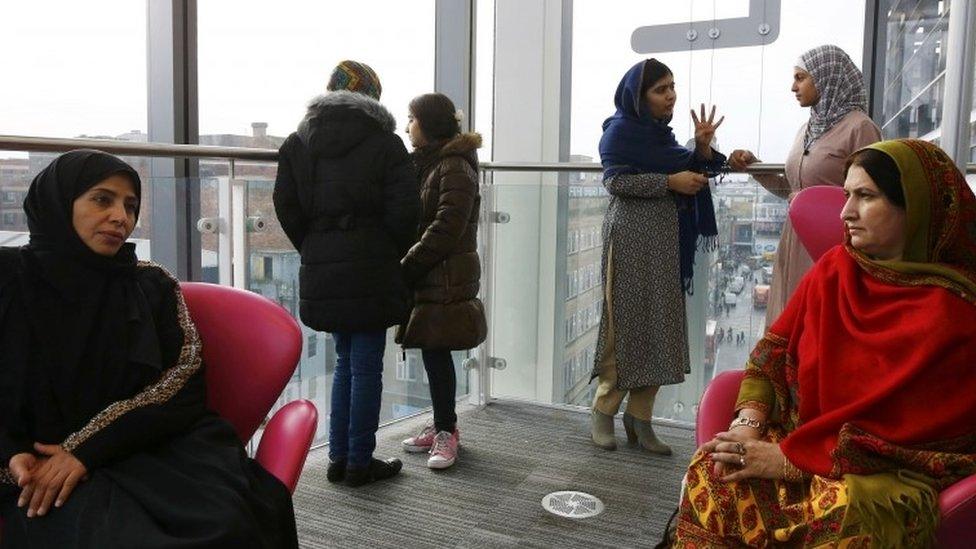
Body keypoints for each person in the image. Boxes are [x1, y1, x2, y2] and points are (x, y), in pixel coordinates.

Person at [669, 139, 976, 547]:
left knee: (849, 524)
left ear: (917, 207)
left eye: (865, 196)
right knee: (715, 473)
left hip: (877, 477)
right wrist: (748, 427)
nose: (846, 212)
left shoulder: (956, 313)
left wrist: (789, 461)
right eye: (847, 194)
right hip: (801, 438)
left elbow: (924, 440)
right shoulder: (835, 269)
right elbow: (772, 355)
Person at [0, 150, 298, 548]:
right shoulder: (8, 279)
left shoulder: (149, 285)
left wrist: (86, 450)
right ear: (58, 201)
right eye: (102, 200)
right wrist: (9, 455)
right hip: (38, 466)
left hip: (151, 449)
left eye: (131, 205)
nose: (121, 217)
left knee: (226, 525)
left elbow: (184, 380)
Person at [274, 60, 419, 486]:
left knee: (343, 362)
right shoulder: (386, 143)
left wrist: (316, 245)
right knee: (367, 365)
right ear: (371, 96)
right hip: (371, 261)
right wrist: (380, 247)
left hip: (323, 263)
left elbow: (286, 207)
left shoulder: (298, 142)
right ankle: (359, 461)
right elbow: (407, 210)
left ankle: (338, 458)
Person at [590, 58, 726, 455]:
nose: (670, 96)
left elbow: (694, 171)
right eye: (660, 89)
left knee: (660, 323)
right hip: (630, 237)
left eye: (672, 87)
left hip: (665, 240)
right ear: (638, 96)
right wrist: (668, 182)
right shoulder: (619, 133)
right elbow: (615, 181)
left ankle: (640, 418)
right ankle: (603, 410)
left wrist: (701, 149)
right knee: (625, 323)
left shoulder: (664, 140)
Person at [728, 44, 881, 324]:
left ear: (825, 78)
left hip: (832, 242)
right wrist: (754, 166)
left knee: (819, 319)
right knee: (790, 317)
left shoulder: (860, 128)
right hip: (794, 236)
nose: (793, 87)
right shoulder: (806, 130)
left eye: (800, 78)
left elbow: (874, 194)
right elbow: (792, 188)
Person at [396, 93, 487, 470]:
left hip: (445, 272)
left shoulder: (452, 165)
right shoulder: (434, 163)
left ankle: (448, 432)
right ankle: (441, 425)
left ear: (429, 123)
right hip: (435, 271)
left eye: (412, 119)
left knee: (438, 349)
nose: (407, 127)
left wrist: (409, 264)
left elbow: (447, 226)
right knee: (434, 351)